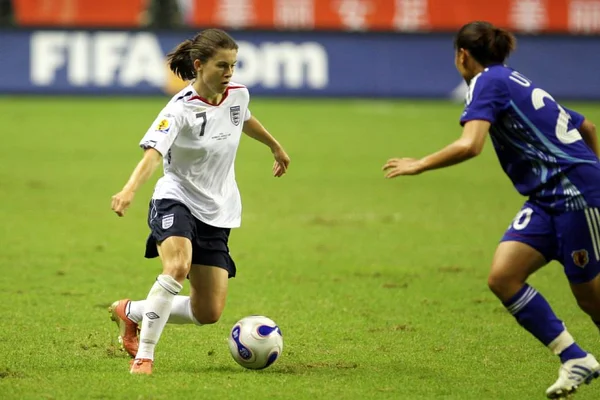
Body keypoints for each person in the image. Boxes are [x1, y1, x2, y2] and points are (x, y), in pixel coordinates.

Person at [382, 21, 600, 399]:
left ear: (462, 55)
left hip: (574, 196)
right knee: (503, 277)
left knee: (590, 298)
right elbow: (588, 126)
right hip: (548, 198)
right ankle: (573, 357)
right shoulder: (515, 80)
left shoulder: (485, 82)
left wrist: (418, 164)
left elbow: (471, 145)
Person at [108, 28, 290, 375]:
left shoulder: (237, 94)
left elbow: (244, 118)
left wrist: (274, 146)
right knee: (176, 267)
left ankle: (131, 311)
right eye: (222, 66)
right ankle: (144, 355)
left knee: (208, 312)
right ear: (198, 65)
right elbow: (153, 154)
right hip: (176, 198)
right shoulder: (179, 109)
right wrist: (129, 189)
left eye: (233, 66)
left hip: (219, 209)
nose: (229, 73)